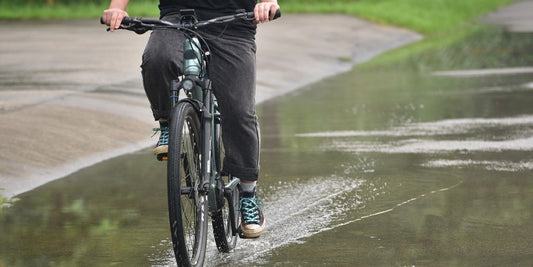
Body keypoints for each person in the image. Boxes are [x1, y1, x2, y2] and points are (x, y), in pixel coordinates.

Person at [102, 0, 279, 238]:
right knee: (157, 59)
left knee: (239, 111)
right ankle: (167, 123)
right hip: (178, 17)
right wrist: (117, 8)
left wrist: (268, 2)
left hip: (234, 20)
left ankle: (248, 194)